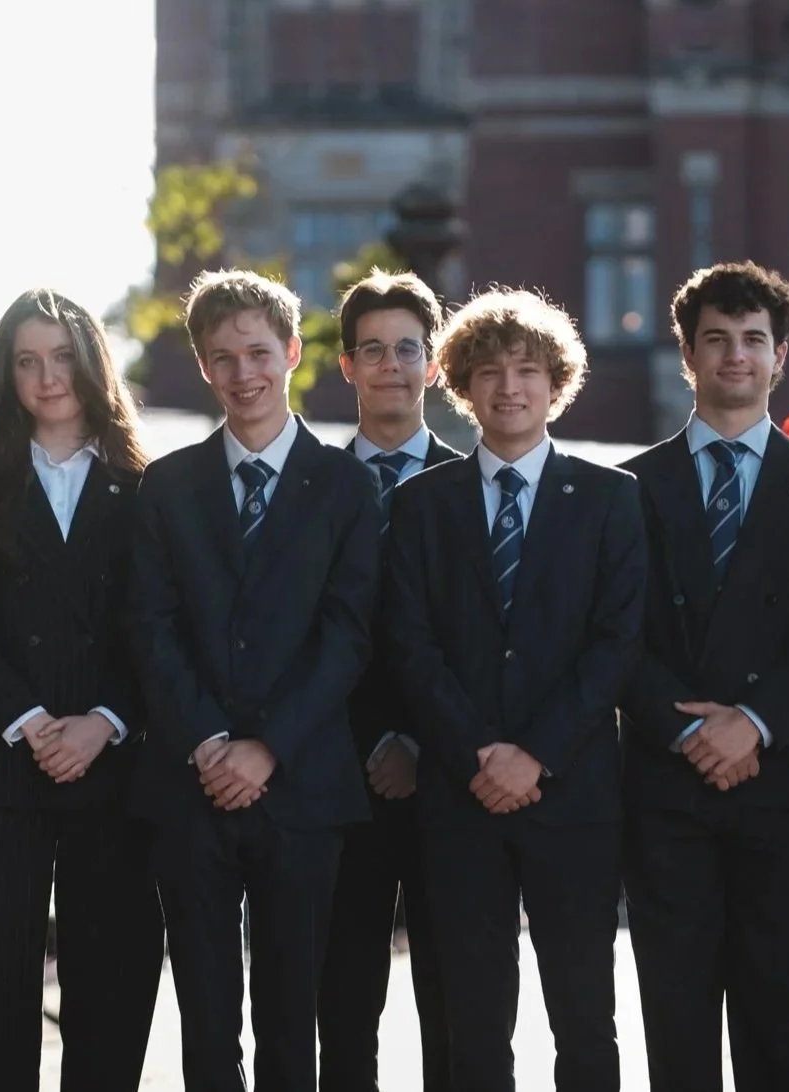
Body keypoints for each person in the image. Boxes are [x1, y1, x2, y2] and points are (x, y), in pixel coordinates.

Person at [383, 289, 646, 1092]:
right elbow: (409, 644)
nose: (509, 387)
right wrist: (477, 754)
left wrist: (535, 753)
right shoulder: (420, 503)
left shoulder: (610, 498)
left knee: (585, 1016)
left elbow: (617, 642)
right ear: (462, 385)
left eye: (528, 370)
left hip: (573, 795)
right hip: (459, 799)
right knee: (472, 1018)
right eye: (490, 371)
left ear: (556, 383)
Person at [128, 269, 380, 1092]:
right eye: (224, 358)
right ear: (204, 366)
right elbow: (151, 627)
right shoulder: (167, 486)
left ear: (294, 353)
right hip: (189, 783)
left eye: (259, 353)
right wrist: (210, 741)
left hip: (304, 787)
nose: (244, 374)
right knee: (205, 1019)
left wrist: (267, 746)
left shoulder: (347, 485)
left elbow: (348, 634)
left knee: (291, 1015)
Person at [619, 261, 789, 1092]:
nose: (735, 355)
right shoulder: (628, 488)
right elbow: (614, 635)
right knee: (677, 1023)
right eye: (716, 339)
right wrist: (691, 730)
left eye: (753, 339)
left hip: (783, 780)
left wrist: (753, 722)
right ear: (687, 354)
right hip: (666, 786)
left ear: (780, 356)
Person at [0, 290, 163, 1091]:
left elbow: (161, 623)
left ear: (93, 364)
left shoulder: (148, 485)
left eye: (62, 357)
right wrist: (26, 719)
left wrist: (105, 720)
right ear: (5, 374)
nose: (47, 376)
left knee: (112, 992)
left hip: (113, 770)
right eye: (27, 361)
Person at [318, 269, 457, 1092]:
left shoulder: (476, 485)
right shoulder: (309, 487)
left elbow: (477, 642)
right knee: (343, 1011)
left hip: (450, 779)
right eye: (372, 350)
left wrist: (418, 741)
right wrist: (373, 742)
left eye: (408, 349)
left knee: (457, 1008)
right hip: (339, 779)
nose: (391, 366)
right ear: (347, 366)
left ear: (432, 364)